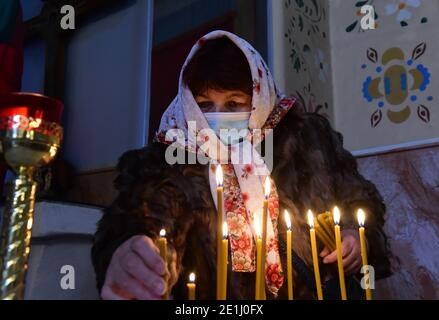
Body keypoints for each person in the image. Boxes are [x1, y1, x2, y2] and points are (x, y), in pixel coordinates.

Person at [91, 31, 391, 300]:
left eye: (234, 104)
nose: (218, 116)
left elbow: (359, 201)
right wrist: (130, 250)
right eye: (205, 105)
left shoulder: (305, 140)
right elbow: (145, 219)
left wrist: (355, 236)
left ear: (259, 97)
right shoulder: (172, 156)